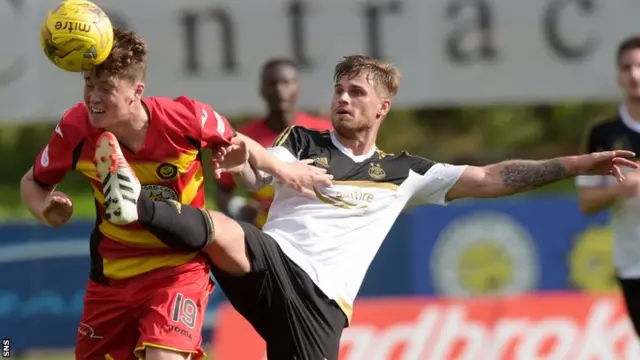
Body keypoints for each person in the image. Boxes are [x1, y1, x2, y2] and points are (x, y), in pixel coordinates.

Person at [96, 55, 636, 360]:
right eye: (338, 90)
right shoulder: (303, 142)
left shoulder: (407, 172)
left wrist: (581, 162)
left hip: (323, 307)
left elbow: (497, 176)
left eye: (356, 91)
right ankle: (134, 204)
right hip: (274, 266)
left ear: (383, 106)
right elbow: (260, 168)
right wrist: (243, 164)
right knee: (224, 230)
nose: (343, 99)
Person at [19, 28, 329, 360]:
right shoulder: (77, 127)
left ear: (137, 91)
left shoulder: (184, 119)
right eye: (89, 85)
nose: (93, 97)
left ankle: (138, 206)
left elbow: (239, 141)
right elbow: (33, 183)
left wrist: (284, 170)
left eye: (107, 88)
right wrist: (46, 211)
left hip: (179, 269)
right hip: (112, 279)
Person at [215, 58, 332, 228]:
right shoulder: (245, 139)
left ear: (298, 86)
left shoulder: (324, 132)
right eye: (272, 84)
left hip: (318, 226)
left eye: (286, 83)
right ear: (261, 90)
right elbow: (223, 190)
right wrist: (239, 207)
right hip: (266, 231)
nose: (279, 90)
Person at [576, 35, 640, 337]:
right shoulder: (603, 134)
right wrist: (619, 189)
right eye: (627, 67)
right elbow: (586, 201)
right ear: (619, 75)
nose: (635, 75)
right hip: (634, 261)